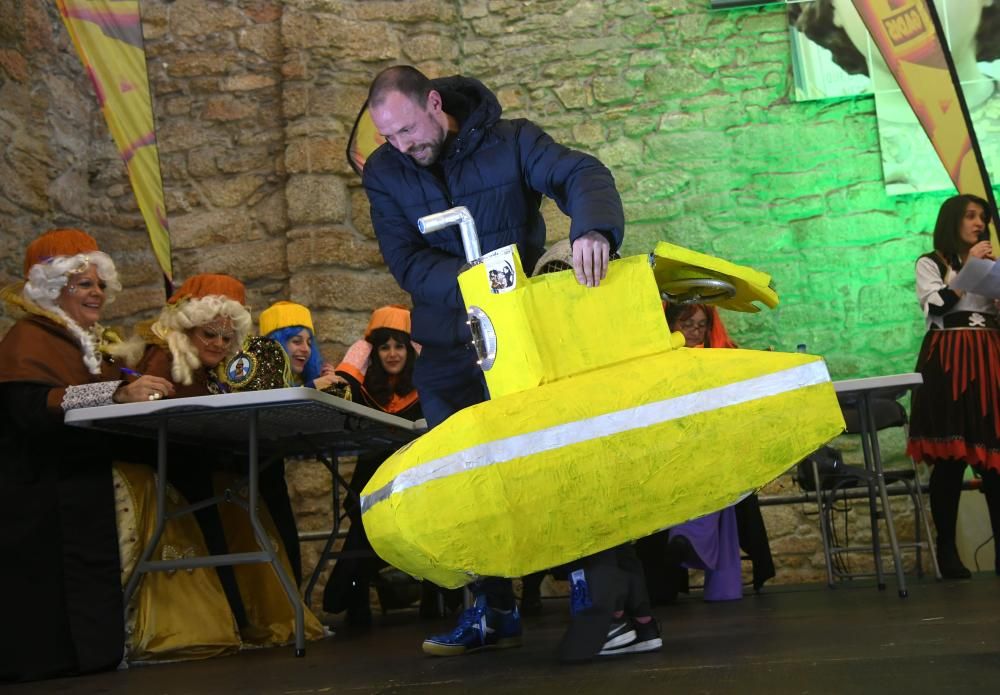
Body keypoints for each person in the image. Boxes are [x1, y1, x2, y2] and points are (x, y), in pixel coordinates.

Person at [363, 64, 625, 657]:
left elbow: (581, 172)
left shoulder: (512, 140)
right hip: (448, 348)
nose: (404, 147)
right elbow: (404, 259)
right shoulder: (385, 173)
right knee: (467, 481)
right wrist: (476, 283)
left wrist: (594, 231)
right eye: (391, 138)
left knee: (552, 463)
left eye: (408, 130)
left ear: (434, 103)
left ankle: (591, 601)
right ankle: (490, 609)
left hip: (520, 341)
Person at [0, 228, 174, 682]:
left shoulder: (87, 341)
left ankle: (94, 657)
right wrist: (117, 393)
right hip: (39, 492)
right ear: (53, 289)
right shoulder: (27, 339)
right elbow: (34, 407)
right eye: (84, 284)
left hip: (81, 485)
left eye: (100, 284)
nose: (97, 292)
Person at [133, 274, 319, 642]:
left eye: (226, 337)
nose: (219, 343)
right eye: (209, 335)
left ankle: (246, 617)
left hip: (209, 471)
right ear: (187, 330)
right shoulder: (164, 358)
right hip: (178, 480)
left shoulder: (203, 365)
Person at [635, 302, 775, 604]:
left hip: (715, 457)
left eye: (701, 325)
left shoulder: (720, 355)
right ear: (672, 326)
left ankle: (690, 539)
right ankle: (698, 550)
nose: (696, 331)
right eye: (688, 324)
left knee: (722, 484)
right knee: (717, 487)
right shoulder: (656, 362)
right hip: (673, 460)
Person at [907, 193, 1000, 578]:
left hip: (990, 358)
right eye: (971, 216)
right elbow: (942, 306)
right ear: (952, 222)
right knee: (949, 460)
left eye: (983, 217)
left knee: (995, 458)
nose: (979, 223)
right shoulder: (931, 263)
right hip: (949, 361)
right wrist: (970, 270)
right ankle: (947, 550)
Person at [321, 305, 425, 626]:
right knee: (364, 511)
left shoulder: (426, 384)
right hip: (373, 482)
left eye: (399, 346)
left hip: (415, 481)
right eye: (383, 347)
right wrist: (354, 358)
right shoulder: (364, 389)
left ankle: (349, 594)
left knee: (372, 520)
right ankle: (356, 596)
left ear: (411, 349)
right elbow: (335, 387)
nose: (392, 354)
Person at [258, 300, 339, 390]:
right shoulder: (258, 381)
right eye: (297, 341)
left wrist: (328, 386)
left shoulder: (306, 379)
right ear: (275, 345)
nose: (306, 349)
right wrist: (312, 388)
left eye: (309, 343)